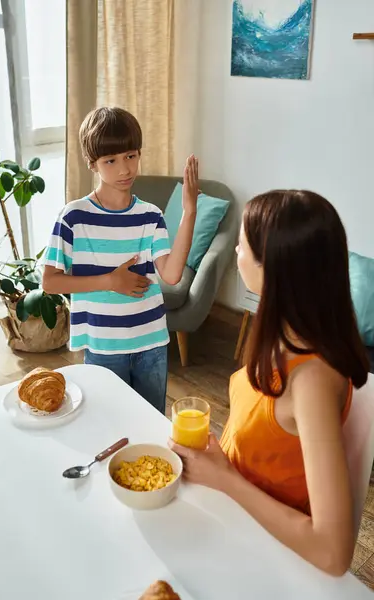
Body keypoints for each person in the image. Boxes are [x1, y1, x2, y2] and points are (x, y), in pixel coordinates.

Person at [170, 190, 369, 575]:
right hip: (231, 509)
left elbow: (333, 553)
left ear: (273, 269)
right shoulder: (282, 333)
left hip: (267, 552)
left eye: (242, 245)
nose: (236, 253)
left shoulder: (311, 380)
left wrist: (225, 479)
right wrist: (220, 463)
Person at [43, 106, 199, 413]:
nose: (124, 169)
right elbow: (50, 282)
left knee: (151, 422)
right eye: (111, 161)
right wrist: (110, 281)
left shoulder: (150, 215)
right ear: (93, 164)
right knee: (110, 426)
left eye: (131, 156)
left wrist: (190, 211)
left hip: (152, 342)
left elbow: (171, 275)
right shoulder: (74, 217)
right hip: (104, 346)